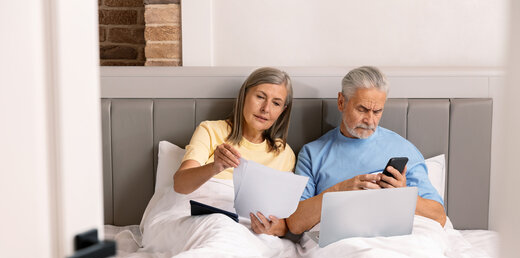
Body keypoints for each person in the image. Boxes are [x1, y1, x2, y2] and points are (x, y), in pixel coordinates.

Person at [250, 66, 446, 237]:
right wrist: (339, 190)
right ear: (341, 102)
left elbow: (439, 217)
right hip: (343, 244)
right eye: (362, 109)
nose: (370, 120)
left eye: (377, 112)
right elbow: (295, 223)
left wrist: (403, 195)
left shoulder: (404, 149)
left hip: (398, 240)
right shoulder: (313, 153)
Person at [174, 67, 296, 213]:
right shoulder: (210, 130)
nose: (266, 109)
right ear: (244, 95)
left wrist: (273, 227)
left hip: (250, 228)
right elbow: (180, 185)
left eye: (276, 103)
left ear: (282, 110)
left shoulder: (283, 153)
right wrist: (215, 167)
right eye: (260, 97)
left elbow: (282, 214)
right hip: (210, 219)